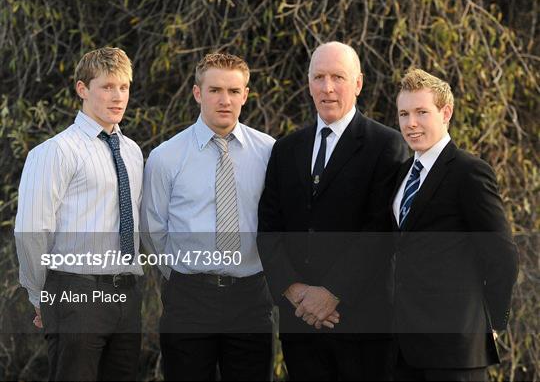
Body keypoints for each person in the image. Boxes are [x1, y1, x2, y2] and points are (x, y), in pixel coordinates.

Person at [257, 41, 408, 380]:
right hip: (301, 324)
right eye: (319, 77)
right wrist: (295, 292)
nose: (327, 88)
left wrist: (331, 294)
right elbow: (268, 226)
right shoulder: (286, 149)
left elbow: (381, 231)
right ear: (308, 83)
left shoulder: (386, 145)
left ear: (358, 83)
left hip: (363, 324)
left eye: (338, 77)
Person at [141, 53, 275, 381]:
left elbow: (278, 221)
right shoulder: (166, 157)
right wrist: (182, 274)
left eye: (233, 91)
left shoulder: (270, 152)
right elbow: (152, 228)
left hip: (251, 296)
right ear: (198, 93)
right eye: (214, 90)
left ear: (245, 94)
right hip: (189, 296)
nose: (224, 100)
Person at [14, 47, 144, 381]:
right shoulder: (56, 151)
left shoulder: (132, 151)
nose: (117, 97)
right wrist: (40, 295)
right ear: (82, 89)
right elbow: (31, 230)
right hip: (75, 291)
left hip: (126, 295)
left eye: (124, 88)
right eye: (107, 87)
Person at [390, 68, 519, 381]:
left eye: (422, 112)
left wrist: (495, 321)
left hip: (455, 347)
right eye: (404, 113)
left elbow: (503, 255)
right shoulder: (403, 172)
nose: (411, 123)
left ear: (445, 112)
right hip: (404, 346)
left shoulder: (469, 172)